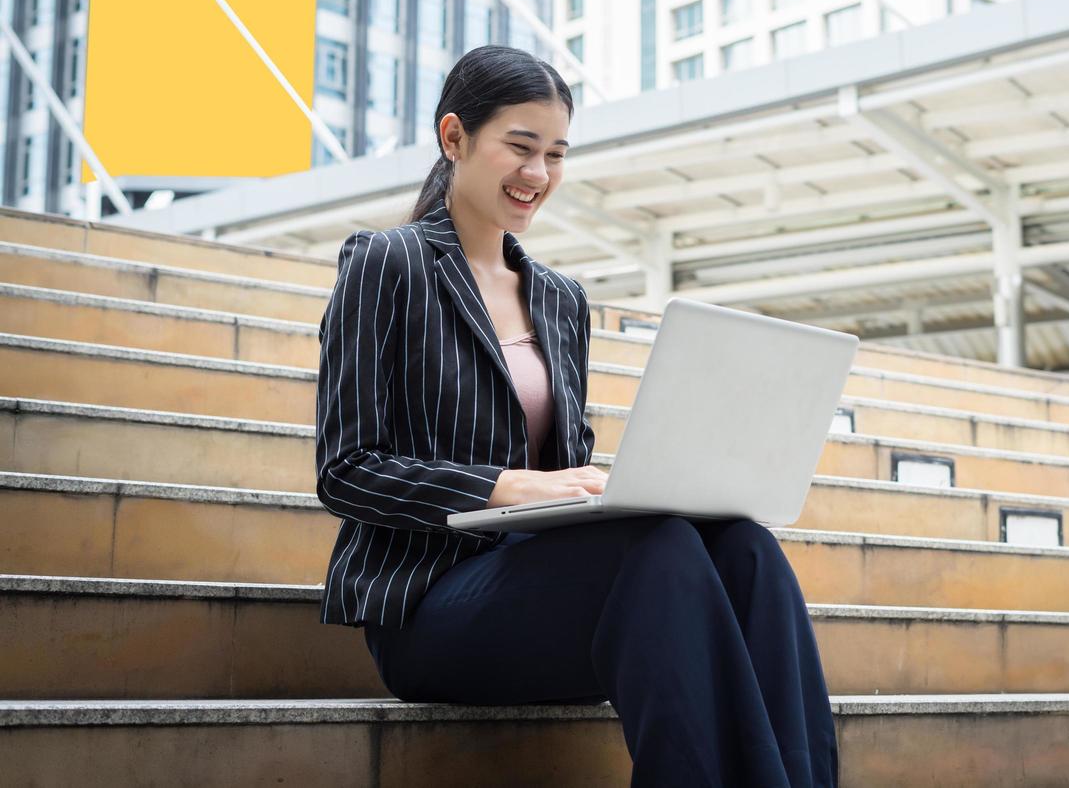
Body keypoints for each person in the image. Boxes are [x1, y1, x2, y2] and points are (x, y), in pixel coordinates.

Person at [314, 45, 839, 787]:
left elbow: (568, 460)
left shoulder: (560, 300)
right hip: (431, 610)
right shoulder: (386, 263)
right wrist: (510, 487)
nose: (539, 174)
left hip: (547, 595)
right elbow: (345, 472)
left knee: (744, 546)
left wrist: (601, 489)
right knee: (655, 550)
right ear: (454, 137)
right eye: (520, 147)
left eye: (555, 154)